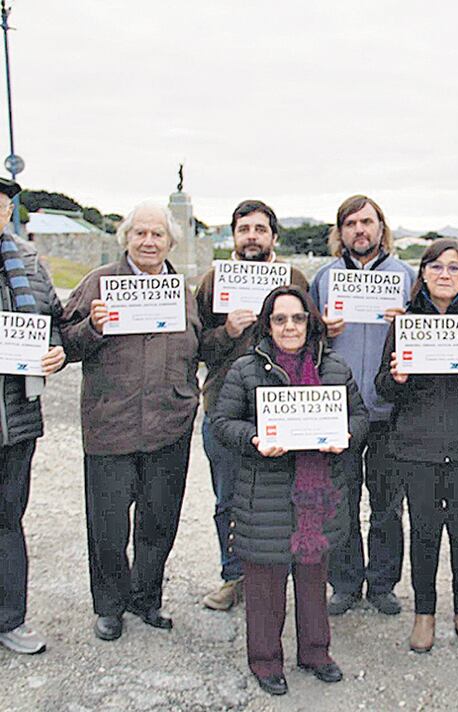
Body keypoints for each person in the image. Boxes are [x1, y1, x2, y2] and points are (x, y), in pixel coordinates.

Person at [212, 285, 368, 696]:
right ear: (267, 324)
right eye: (280, 319)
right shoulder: (246, 369)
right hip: (264, 492)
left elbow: (360, 417)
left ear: (310, 322)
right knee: (265, 581)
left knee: (314, 578)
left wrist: (345, 435)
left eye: (298, 318)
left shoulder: (335, 368)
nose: (289, 326)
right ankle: (265, 661)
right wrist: (255, 438)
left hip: (318, 496)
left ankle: (316, 652)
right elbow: (221, 421)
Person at [61, 201, 201, 642]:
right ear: (126, 239)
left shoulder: (182, 291)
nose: (148, 241)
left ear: (169, 242)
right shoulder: (97, 284)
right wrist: (94, 327)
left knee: (159, 521)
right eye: (140, 233)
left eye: (157, 234)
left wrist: (228, 335)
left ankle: (146, 598)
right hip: (111, 427)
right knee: (107, 526)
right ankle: (109, 606)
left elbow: (199, 347)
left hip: (168, 426)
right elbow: (65, 343)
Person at [375, 238, 458, 653]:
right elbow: (382, 389)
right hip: (417, 447)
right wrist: (396, 378)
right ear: (423, 274)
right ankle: (424, 614)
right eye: (436, 267)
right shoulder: (404, 323)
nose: (444, 275)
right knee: (424, 533)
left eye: (454, 268)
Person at [196, 199, 309, 611]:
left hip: (285, 410)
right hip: (226, 409)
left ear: (273, 237)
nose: (252, 237)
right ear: (233, 236)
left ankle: (283, 575)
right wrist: (226, 331)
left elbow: (311, 340)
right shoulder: (212, 281)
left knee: (286, 498)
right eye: (244, 229)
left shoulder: (294, 278)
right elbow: (197, 347)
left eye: (260, 229)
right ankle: (233, 575)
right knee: (228, 499)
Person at [310, 195, 416, 616]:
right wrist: (322, 330)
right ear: (341, 232)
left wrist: (406, 323)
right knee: (340, 500)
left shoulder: (406, 278)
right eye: (350, 223)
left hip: (391, 410)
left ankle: (383, 583)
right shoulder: (324, 278)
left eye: (367, 222)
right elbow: (299, 339)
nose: (360, 230)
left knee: (388, 503)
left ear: (380, 227)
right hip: (339, 408)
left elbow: (430, 340)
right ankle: (346, 582)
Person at [0, 178, 66, 656]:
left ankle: (10, 618)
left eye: (0, 206)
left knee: (7, 519)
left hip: (17, 419)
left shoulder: (28, 264)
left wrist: (57, 354)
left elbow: (54, 325)